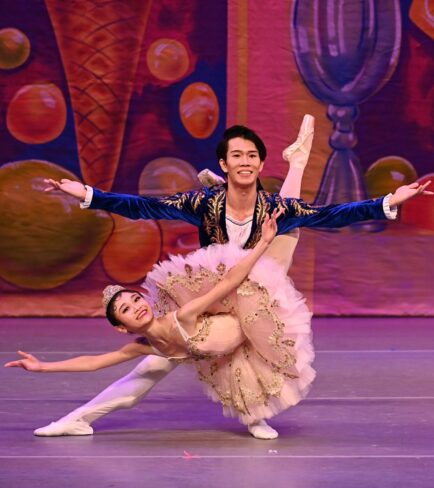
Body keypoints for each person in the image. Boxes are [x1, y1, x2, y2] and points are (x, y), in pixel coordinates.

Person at [31, 116, 432, 438]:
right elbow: (142, 206)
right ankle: (77, 419)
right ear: (224, 165)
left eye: (252, 155)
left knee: (286, 235)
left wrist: (388, 202)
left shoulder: (273, 208)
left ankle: (254, 415)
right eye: (237, 155)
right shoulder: (203, 203)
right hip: (217, 289)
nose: (245, 161)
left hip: (258, 278)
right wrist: (89, 195)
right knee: (150, 367)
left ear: (260, 164)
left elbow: (331, 215)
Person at [4, 208, 316, 430]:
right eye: (126, 309)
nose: (137, 306)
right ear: (121, 327)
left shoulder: (184, 315)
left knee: (280, 250)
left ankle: (294, 167)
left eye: (135, 299)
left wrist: (263, 242)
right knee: (135, 386)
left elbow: (229, 281)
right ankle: (74, 421)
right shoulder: (143, 345)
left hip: (245, 317)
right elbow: (94, 362)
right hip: (207, 351)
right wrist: (43, 367)